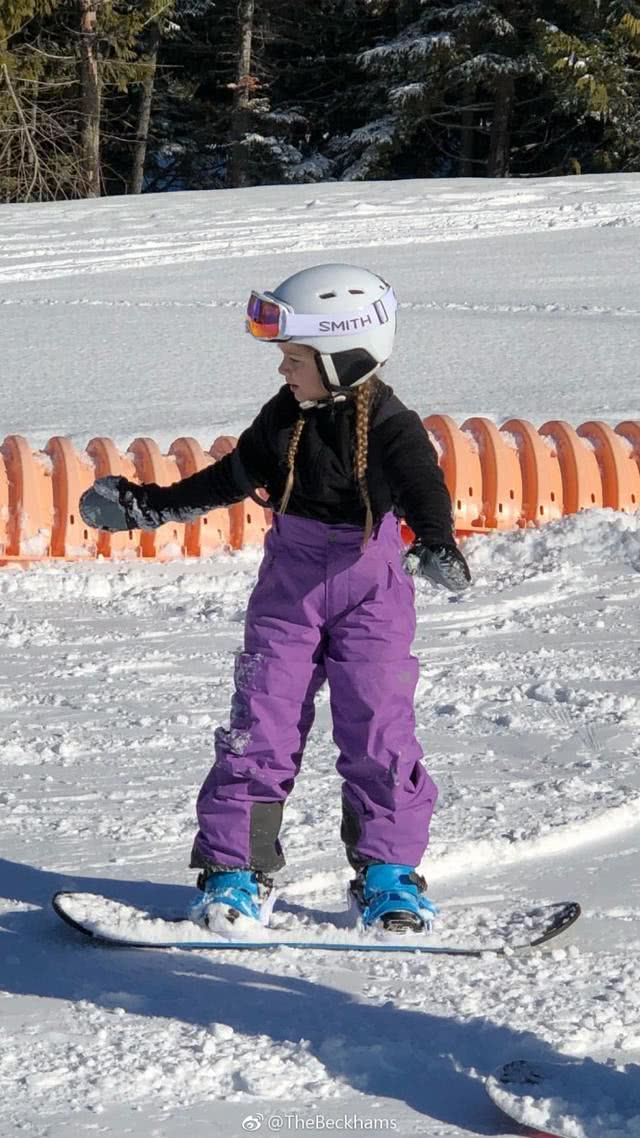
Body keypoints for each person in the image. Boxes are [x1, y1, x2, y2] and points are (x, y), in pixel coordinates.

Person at [79, 263, 471, 937]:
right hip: (291, 584)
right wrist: (150, 507)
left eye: (295, 359)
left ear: (343, 357)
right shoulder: (285, 418)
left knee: (377, 726)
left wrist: (437, 540)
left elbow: (421, 484)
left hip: (370, 585)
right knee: (261, 723)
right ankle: (235, 870)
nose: (283, 371)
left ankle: (388, 875)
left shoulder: (391, 425)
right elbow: (233, 475)